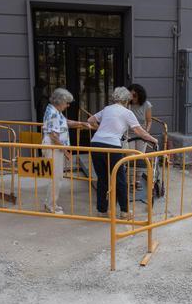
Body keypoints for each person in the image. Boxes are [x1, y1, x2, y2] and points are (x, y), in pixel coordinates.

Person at [87, 87, 158, 216]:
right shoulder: (127, 113)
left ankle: (102, 210)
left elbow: (90, 120)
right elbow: (139, 131)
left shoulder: (107, 109)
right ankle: (124, 211)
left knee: (102, 179)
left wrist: (102, 129)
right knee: (120, 179)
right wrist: (153, 139)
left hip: (96, 144)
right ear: (126, 100)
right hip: (112, 146)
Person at [42, 88, 89, 214]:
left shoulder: (55, 110)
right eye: (66, 103)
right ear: (60, 101)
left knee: (57, 177)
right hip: (54, 148)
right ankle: (51, 205)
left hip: (55, 147)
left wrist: (81, 123)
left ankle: (50, 203)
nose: (68, 105)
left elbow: (65, 122)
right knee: (56, 177)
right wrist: (66, 151)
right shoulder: (53, 112)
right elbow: (53, 135)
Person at [126, 83, 153, 188]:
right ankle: (131, 181)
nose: (133, 98)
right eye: (130, 95)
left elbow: (149, 120)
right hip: (130, 134)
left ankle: (137, 181)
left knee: (140, 157)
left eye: (135, 95)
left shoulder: (146, 105)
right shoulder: (127, 104)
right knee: (131, 157)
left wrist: (146, 132)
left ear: (140, 95)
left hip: (142, 134)